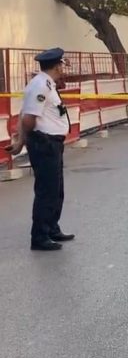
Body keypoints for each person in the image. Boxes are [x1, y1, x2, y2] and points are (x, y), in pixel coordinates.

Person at [4, 48, 74, 251]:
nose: (63, 68)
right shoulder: (40, 85)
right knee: (47, 191)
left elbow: (24, 112)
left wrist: (21, 141)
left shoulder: (47, 84)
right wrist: (21, 142)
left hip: (52, 143)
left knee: (56, 189)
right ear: (57, 66)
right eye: (62, 65)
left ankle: (52, 228)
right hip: (44, 143)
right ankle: (40, 236)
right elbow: (28, 119)